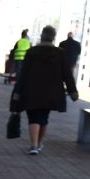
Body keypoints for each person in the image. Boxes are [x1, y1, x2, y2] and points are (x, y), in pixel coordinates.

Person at [13, 26, 78, 154]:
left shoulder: (32, 52)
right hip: (51, 92)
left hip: (31, 90)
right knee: (43, 118)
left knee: (33, 117)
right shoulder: (60, 53)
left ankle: (34, 145)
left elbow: (23, 74)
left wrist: (17, 91)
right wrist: (72, 91)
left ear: (42, 35)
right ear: (53, 37)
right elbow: (67, 74)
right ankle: (38, 144)